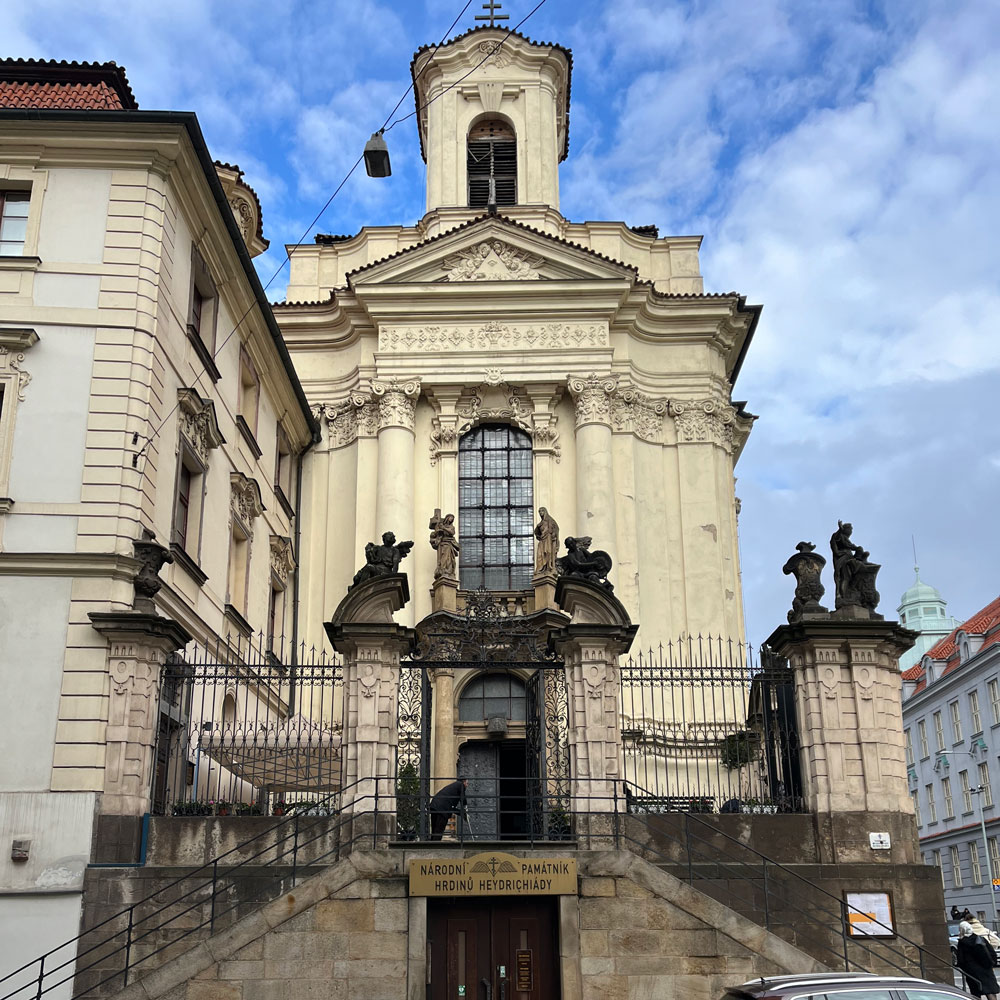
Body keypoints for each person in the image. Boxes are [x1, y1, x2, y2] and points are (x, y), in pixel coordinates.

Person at [956, 920, 999, 999]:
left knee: (975, 994)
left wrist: (966, 969)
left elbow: (961, 960)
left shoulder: (962, 943)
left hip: (972, 972)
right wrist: (991, 964)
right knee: (990, 991)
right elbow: (992, 953)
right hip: (986, 969)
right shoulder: (980, 939)